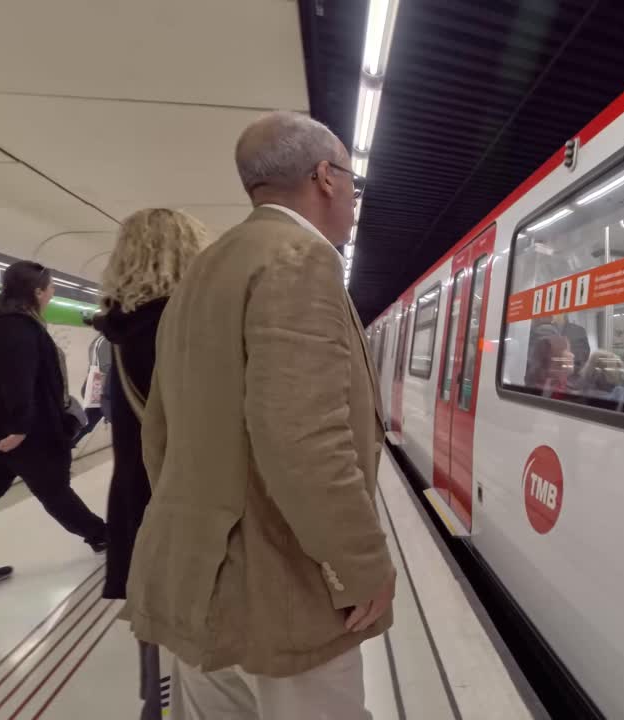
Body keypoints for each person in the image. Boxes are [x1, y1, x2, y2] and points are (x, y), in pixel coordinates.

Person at [124, 112, 395, 719]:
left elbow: (160, 431)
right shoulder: (300, 258)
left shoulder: (203, 271)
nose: (355, 197)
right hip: (278, 586)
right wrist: (360, 563)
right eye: (353, 180)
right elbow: (304, 438)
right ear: (325, 177)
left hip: (196, 576)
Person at [92, 208, 206, 719]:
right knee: (201, 647)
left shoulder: (118, 333)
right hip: (187, 502)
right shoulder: (193, 327)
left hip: (137, 501)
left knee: (153, 628)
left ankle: (155, 705)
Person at [0, 261, 109, 584]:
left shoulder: (4, 320)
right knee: (55, 491)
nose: (53, 292)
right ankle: (101, 535)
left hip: (3, 428)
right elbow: (18, 379)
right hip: (24, 433)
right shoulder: (15, 326)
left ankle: (99, 534)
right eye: (51, 287)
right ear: (37, 291)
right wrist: (20, 428)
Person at [71, 331, 112, 449]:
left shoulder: (99, 339)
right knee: (88, 422)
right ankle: (64, 445)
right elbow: (105, 368)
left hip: (96, 381)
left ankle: (66, 444)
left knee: (89, 422)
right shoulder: (106, 340)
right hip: (100, 382)